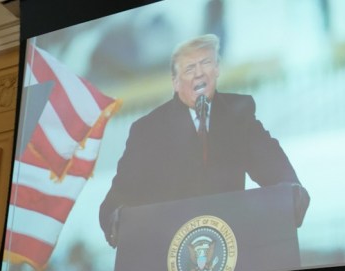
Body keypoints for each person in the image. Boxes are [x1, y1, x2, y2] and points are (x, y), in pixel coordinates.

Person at [98, 33, 309, 247]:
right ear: (176, 82)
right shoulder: (148, 130)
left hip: (232, 246)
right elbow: (116, 200)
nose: (199, 73)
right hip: (168, 251)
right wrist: (116, 217)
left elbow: (272, 165)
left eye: (206, 63)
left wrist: (291, 191)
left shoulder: (238, 115)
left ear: (216, 70)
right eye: (190, 68)